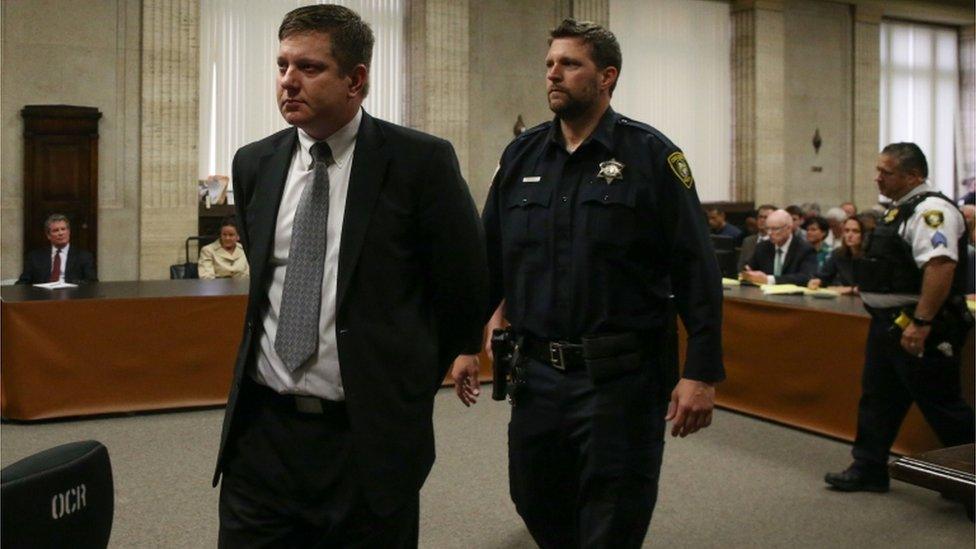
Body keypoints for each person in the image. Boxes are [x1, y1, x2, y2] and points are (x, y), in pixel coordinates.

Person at [212, 5, 487, 546]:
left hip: (365, 440)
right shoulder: (253, 164)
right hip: (261, 434)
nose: (288, 81)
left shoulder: (420, 163)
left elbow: (463, 287)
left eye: (309, 68)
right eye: (282, 65)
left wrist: (404, 386)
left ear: (356, 80)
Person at [452, 19, 724, 548]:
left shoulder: (652, 157)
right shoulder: (522, 156)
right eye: (550, 64)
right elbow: (490, 261)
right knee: (533, 496)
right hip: (537, 375)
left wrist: (702, 371)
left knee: (613, 515)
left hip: (621, 378)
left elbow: (696, 269)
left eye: (570, 64)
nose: (554, 74)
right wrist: (466, 343)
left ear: (607, 77)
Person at [825, 143, 974, 492]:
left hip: (921, 325)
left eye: (886, 172)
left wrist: (922, 323)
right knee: (878, 397)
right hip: (889, 324)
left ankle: (969, 478)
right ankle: (869, 467)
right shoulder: (899, 210)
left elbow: (940, 267)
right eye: (878, 170)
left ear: (913, 175)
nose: (877, 177)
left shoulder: (930, 211)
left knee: (942, 405)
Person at [740, 209, 818, 286]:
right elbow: (748, 268)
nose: (769, 233)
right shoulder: (762, 247)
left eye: (775, 229)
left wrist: (769, 279)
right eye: (767, 228)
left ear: (789, 228)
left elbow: (806, 277)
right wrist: (748, 273)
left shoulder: (805, 249)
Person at [16, 213, 96, 285]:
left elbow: (92, 282)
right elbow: (23, 282)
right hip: (43, 297)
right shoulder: (35, 257)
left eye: (63, 229)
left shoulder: (84, 256)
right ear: (48, 235)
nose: (60, 233)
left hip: (72, 297)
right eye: (55, 230)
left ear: (69, 232)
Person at [808, 216, 865, 295]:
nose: (850, 235)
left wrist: (850, 289)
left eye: (855, 231)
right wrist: (818, 281)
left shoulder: (870, 256)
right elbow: (824, 276)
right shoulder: (838, 254)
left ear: (864, 234)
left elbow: (869, 287)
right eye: (847, 231)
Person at [738, 203, 776, 271]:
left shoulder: (776, 241)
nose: (762, 220)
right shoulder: (748, 241)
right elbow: (740, 268)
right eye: (760, 217)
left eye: (766, 217)